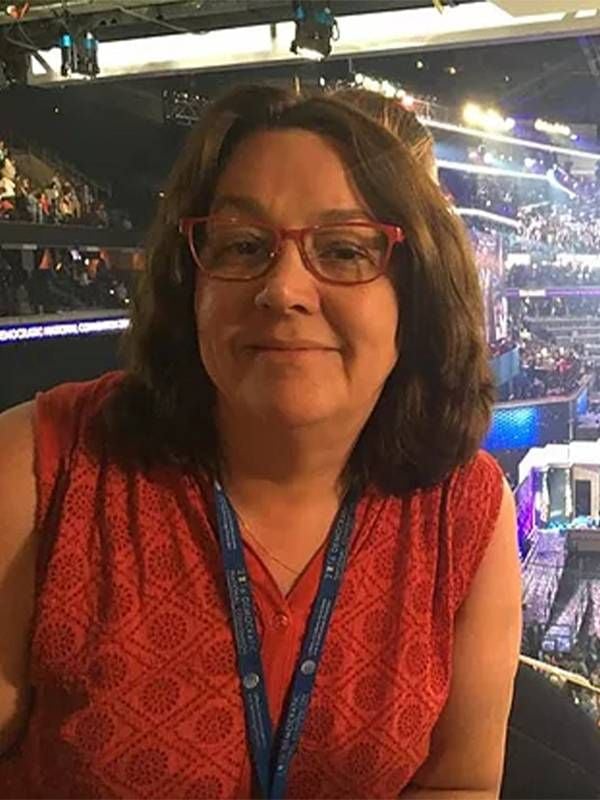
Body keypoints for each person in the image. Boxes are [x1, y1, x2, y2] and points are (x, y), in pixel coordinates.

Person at [0, 85, 522, 799]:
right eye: (244, 246)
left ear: (418, 288)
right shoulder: (41, 470)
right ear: (191, 282)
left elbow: (457, 784)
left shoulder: (464, 513)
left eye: (343, 251)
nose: (284, 290)